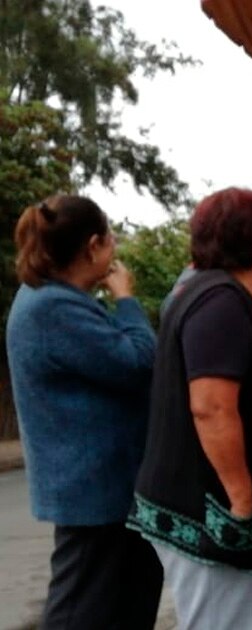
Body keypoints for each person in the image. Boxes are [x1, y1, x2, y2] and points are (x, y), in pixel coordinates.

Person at [127, 187, 252, 629]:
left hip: (221, 501)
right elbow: (212, 408)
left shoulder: (200, 293)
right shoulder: (221, 301)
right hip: (219, 509)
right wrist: (241, 501)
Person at [6, 195, 162, 629]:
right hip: (93, 492)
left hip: (104, 487)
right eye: (111, 240)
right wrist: (126, 300)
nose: (114, 251)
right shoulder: (52, 308)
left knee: (127, 601)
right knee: (82, 611)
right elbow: (136, 362)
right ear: (93, 246)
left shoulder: (55, 299)